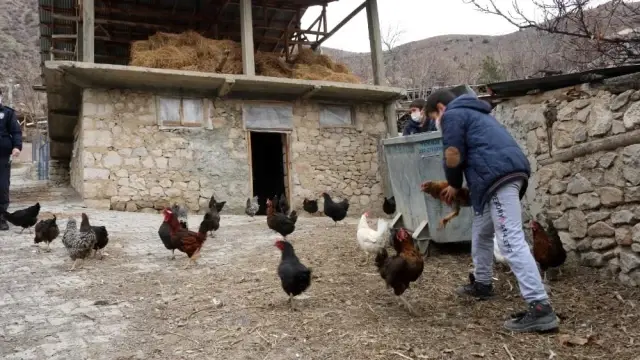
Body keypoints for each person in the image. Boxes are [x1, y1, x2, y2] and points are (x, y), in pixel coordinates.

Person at [424, 89, 558, 333]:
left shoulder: (453, 115)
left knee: (509, 240)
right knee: (482, 230)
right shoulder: (477, 113)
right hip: (497, 177)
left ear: (441, 108)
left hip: (498, 178)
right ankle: (482, 284)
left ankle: (540, 307)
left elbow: (452, 155)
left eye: (434, 117)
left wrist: (453, 184)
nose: (436, 122)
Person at [0, 90, 22, 231]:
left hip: (3, 155)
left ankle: (2, 217)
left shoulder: (7, 113)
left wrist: (17, 147)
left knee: (2, 186)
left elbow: (15, 131)